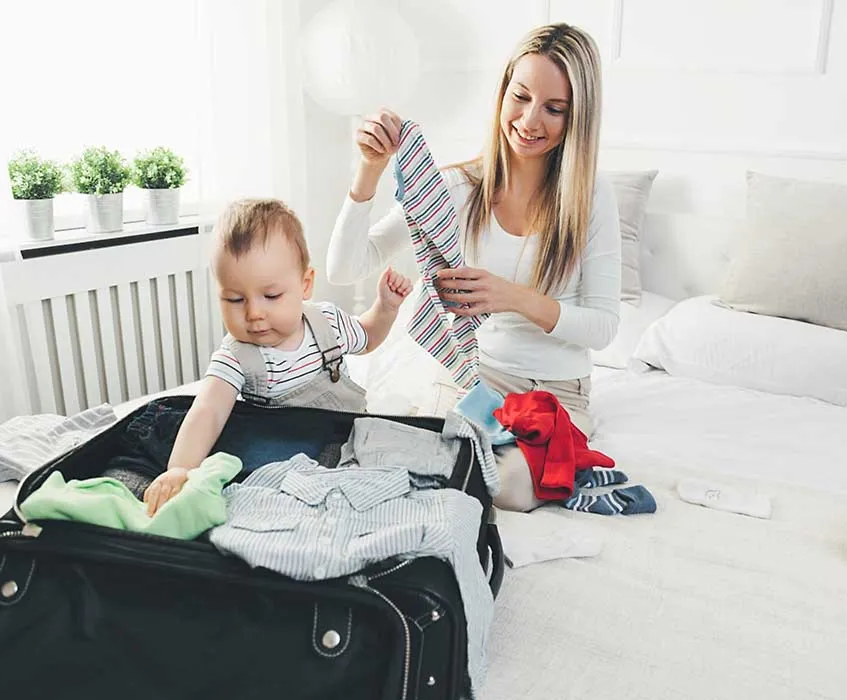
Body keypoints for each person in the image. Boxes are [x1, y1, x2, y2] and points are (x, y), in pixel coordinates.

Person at [326, 23, 620, 512]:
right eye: (520, 97)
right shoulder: (458, 189)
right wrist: (368, 172)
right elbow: (343, 267)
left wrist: (511, 297)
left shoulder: (590, 198)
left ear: (577, 119)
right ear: (503, 93)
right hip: (476, 379)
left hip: (558, 393)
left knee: (511, 490)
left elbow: (604, 326)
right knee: (393, 462)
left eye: (554, 109)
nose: (529, 120)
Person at [144, 198, 412, 515]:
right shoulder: (236, 356)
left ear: (305, 285)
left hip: (350, 437)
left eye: (271, 296)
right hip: (287, 462)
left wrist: (385, 308)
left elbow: (367, 337)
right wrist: (179, 469)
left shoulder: (327, 322)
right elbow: (207, 413)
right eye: (234, 299)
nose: (254, 313)